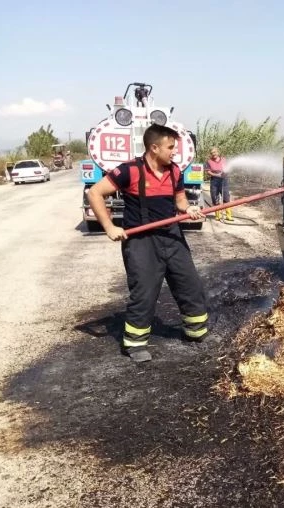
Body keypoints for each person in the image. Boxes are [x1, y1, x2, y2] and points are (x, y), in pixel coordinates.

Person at [87, 124, 209, 363]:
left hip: (172, 236)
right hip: (141, 241)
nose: (175, 152)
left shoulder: (174, 171)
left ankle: (195, 331)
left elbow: (180, 200)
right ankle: (134, 344)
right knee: (144, 292)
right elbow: (94, 193)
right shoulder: (129, 171)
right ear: (154, 147)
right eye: (171, 147)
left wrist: (190, 209)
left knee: (189, 284)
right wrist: (110, 227)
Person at [204, 147, 232, 222]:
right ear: (210, 154)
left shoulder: (224, 160)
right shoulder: (209, 162)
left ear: (218, 152)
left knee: (226, 197)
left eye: (215, 152)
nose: (214, 154)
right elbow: (208, 171)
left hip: (224, 180)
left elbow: (228, 168)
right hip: (214, 180)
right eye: (212, 153)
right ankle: (218, 216)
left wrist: (224, 173)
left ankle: (228, 216)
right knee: (215, 197)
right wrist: (216, 175)